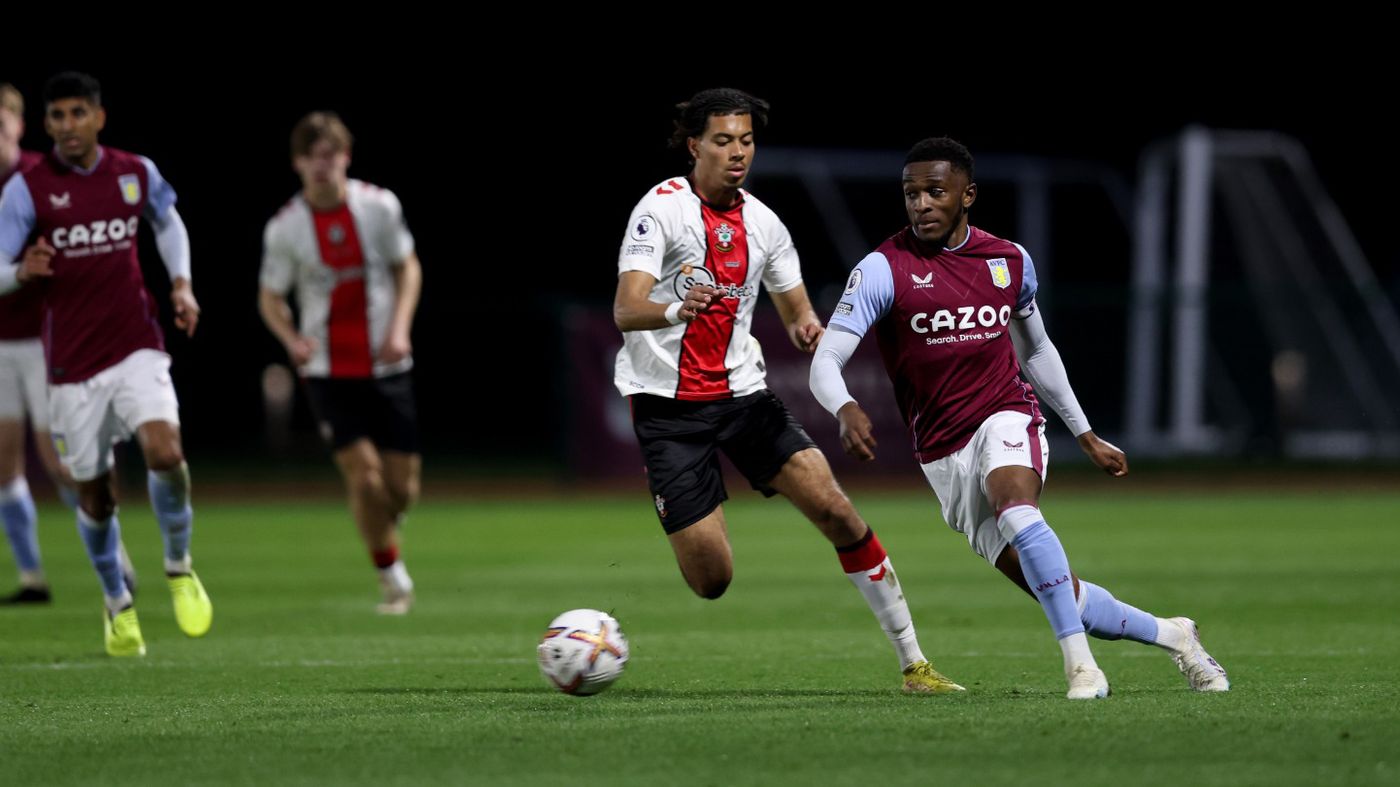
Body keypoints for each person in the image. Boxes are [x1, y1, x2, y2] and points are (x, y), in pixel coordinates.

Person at [809, 136, 1230, 699]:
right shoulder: (884, 268)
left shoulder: (1009, 261)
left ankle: (1082, 670)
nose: (922, 204)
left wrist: (1085, 433)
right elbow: (826, 361)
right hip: (942, 451)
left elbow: (1036, 351)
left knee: (1015, 505)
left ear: (967, 195)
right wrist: (844, 406)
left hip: (1006, 414)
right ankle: (1175, 635)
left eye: (936, 192)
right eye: (911, 194)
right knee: (1064, 595)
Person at [613, 88, 961, 693]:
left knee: (837, 511)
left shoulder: (765, 223)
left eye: (747, 141)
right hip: (668, 412)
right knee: (712, 580)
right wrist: (675, 310)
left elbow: (797, 312)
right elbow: (626, 308)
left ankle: (915, 665)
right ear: (695, 145)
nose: (738, 152)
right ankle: (669, 479)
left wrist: (808, 329)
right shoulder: (659, 210)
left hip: (745, 399)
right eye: (724, 141)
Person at [0, 71, 210, 655]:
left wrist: (182, 283)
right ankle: (117, 600)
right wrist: (20, 272)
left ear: (98, 117)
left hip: (135, 344)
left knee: (166, 452)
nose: (68, 125)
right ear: (47, 125)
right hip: (71, 366)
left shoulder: (134, 171)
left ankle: (179, 565)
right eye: (58, 116)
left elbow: (167, 220)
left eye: (78, 113)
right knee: (95, 495)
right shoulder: (28, 191)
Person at [259, 112, 422, 615]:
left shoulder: (379, 206)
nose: (322, 165)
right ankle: (391, 575)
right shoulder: (285, 227)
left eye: (330, 154)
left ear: (345, 157)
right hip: (328, 372)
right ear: (297, 163)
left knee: (401, 490)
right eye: (312, 156)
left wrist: (399, 329)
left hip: (387, 365)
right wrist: (291, 339)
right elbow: (269, 296)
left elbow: (407, 267)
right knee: (364, 478)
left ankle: (383, 526)